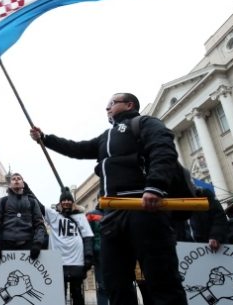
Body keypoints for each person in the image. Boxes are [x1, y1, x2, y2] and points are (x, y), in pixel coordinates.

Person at [30, 93, 187, 305]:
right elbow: (77, 148)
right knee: (115, 282)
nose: (107, 109)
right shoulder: (106, 136)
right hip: (112, 215)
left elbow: (163, 149)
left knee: (162, 279)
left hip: (144, 208)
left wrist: (155, 186)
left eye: (111, 104)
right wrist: (46, 139)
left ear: (129, 104)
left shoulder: (146, 123)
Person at [43, 188, 93, 305]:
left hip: (77, 261)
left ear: (72, 202)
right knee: (60, 294)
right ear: (60, 203)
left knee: (77, 293)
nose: (66, 202)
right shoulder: (53, 215)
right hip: (59, 262)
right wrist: (26, 189)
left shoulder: (80, 217)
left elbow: (88, 238)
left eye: (69, 200)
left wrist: (88, 257)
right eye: (64, 200)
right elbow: (38, 206)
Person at [0, 173, 45, 260]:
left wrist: (37, 243)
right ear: (10, 184)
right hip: (6, 246)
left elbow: (39, 224)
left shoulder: (32, 202)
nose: (16, 180)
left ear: (23, 184)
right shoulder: (3, 201)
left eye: (19, 178)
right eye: (13, 179)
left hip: (28, 246)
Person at [174, 187, 229, 251]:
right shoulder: (173, 202)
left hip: (213, 246)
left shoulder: (204, 195)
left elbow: (219, 218)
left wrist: (215, 236)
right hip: (188, 250)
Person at [85, 209, 110, 305]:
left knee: (117, 285)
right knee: (103, 286)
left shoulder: (116, 210)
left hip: (116, 254)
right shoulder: (91, 214)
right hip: (100, 254)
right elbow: (87, 235)